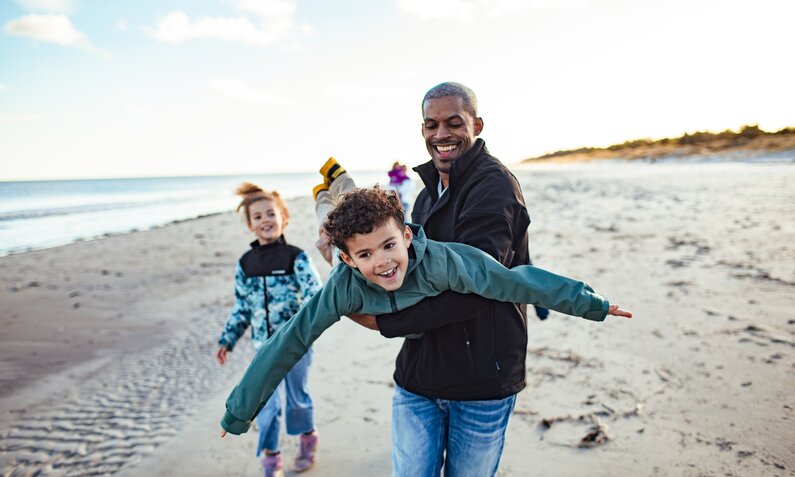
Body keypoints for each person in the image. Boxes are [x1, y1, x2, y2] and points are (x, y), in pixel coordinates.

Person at [219, 184, 631, 440]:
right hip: (353, 275)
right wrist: (239, 411)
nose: (383, 262)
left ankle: (338, 185)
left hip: (404, 290)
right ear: (351, 260)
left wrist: (588, 303)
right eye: (365, 254)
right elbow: (289, 339)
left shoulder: (444, 263)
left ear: (409, 236)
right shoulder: (343, 283)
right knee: (326, 225)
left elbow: (514, 281)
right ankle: (327, 192)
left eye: (389, 246)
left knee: (355, 207)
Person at [370, 81, 549, 476]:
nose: (441, 135)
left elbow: (479, 286)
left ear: (477, 124)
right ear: (422, 130)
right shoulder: (426, 192)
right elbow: (407, 272)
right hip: (418, 375)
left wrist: (388, 322)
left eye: (454, 123)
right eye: (431, 125)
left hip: (481, 381)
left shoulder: (494, 186)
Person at [216, 182, 322, 477]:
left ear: (283, 218)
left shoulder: (296, 257)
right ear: (250, 225)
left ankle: (307, 439)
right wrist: (228, 339)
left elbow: (316, 294)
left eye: (271, 214)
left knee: (297, 398)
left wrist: (310, 327)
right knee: (267, 405)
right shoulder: (245, 264)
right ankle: (271, 456)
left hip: (296, 344)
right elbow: (242, 308)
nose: (266, 220)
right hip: (262, 348)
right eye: (258, 216)